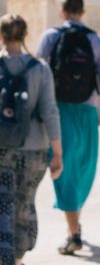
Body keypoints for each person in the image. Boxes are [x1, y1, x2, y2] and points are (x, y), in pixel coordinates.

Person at [36, 0, 100, 256]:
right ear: (83, 12)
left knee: (65, 168)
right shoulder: (97, 40)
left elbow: (38, 73)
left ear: (62, 11)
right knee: (83, 168)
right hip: (87, 110)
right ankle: (74, 231)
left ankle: (74, 230)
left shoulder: (50, 37)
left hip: (58, 110)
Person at [0, 14, 63, 265]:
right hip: (35, 149)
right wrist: (57, 152)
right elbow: (50, 111)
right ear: (26, 36)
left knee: (3, 203)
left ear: (1, 36)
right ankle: (16, 259)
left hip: (2, 148)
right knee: (25, 202)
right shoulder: (40, 69)